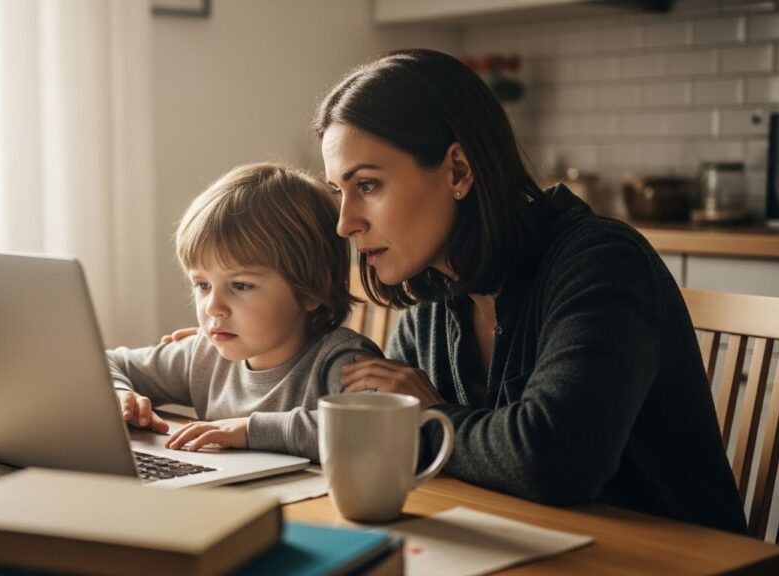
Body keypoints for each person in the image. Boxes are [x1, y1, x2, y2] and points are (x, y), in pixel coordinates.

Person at [312, 49, 747, 533]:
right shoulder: (429, 301)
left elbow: (554, 460)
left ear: (458, 170)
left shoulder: (602, 263)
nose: (344, 222)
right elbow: (395, 450)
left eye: (367, 185)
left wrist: (433, 416)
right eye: (338, 191)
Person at [106, 163, 381, 461]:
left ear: (310, 289)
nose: (213, 307)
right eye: (202, 285)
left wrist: (251, 431)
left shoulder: (343, 361)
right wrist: (121, 394)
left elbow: (373, 429)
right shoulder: (204, 356)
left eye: (240, 285)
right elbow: (106, 362)